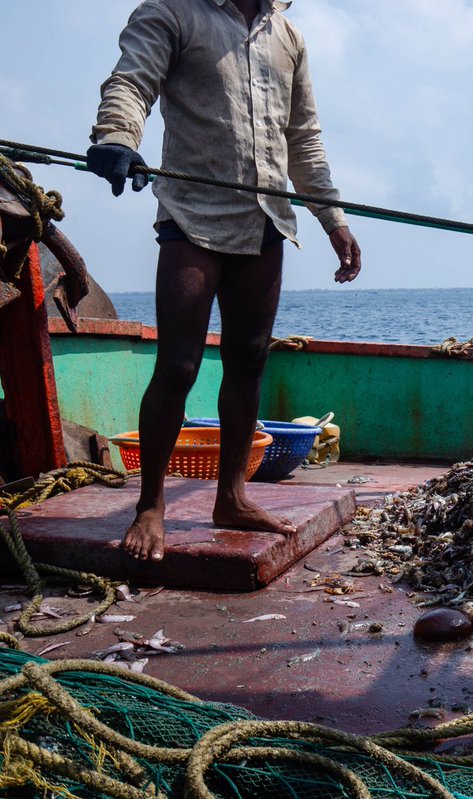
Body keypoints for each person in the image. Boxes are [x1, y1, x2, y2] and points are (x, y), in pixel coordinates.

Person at [87, 0, 361, 562]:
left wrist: (332, 218)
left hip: (266, 220)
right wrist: (117, 137)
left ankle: (231, 496)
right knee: (180, 363)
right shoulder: (170, 12)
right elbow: (132, 80)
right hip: (191, 216)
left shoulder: (287, 35)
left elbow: (302, 136)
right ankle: (150, 506)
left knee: (249, 360)